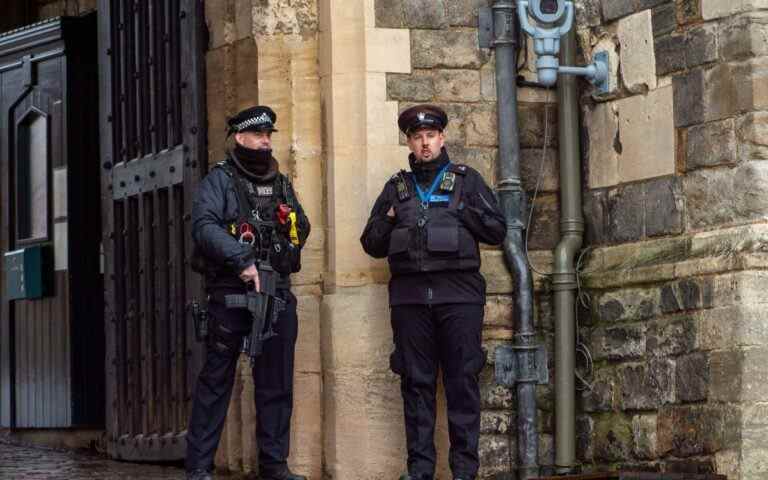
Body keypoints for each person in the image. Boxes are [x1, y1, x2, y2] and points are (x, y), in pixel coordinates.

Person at [360, 105, 506, 480]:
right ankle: (420, 471)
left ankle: (464, 472)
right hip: (410, 301)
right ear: (408, 141)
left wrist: (463, 215)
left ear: (442, 138)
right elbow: (371, 243)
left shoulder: (466, 179)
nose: (424, 144)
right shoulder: (397, 188)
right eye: (416, 137)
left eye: (430, 136)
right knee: (416, 384)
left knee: (462, 382)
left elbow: (498, 229)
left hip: (459, 299)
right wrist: (389, 219)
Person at [186, 106, 310, 480]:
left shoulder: (282, 183)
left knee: (276, 383)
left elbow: (300, 225)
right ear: (240, 138)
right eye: (258, 136)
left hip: (275, 293)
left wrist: (289, 242)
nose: (265, 142)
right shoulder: (219, 182)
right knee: (215, 381)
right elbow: (204, 227)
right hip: (231, 294)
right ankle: (198, 467)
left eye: (269, 136)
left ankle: (274, 465)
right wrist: (241, 259)